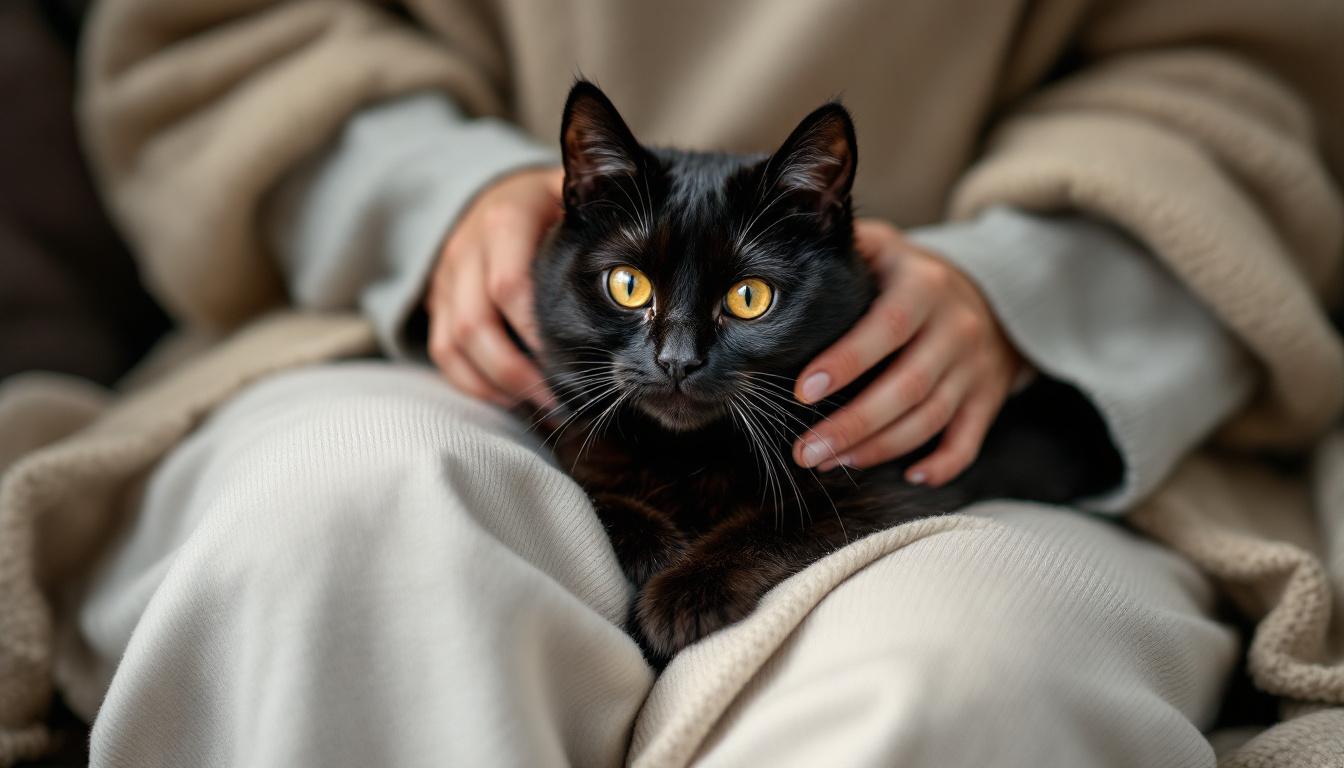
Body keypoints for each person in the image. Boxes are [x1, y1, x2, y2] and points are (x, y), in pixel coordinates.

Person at [2, 0, 1342, 766]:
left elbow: (1244, 62)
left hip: (969, 389)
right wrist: (428, 198)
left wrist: (1037, 279)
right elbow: (225, 36)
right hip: (433, 329)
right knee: (340, 536)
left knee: (976, 675)